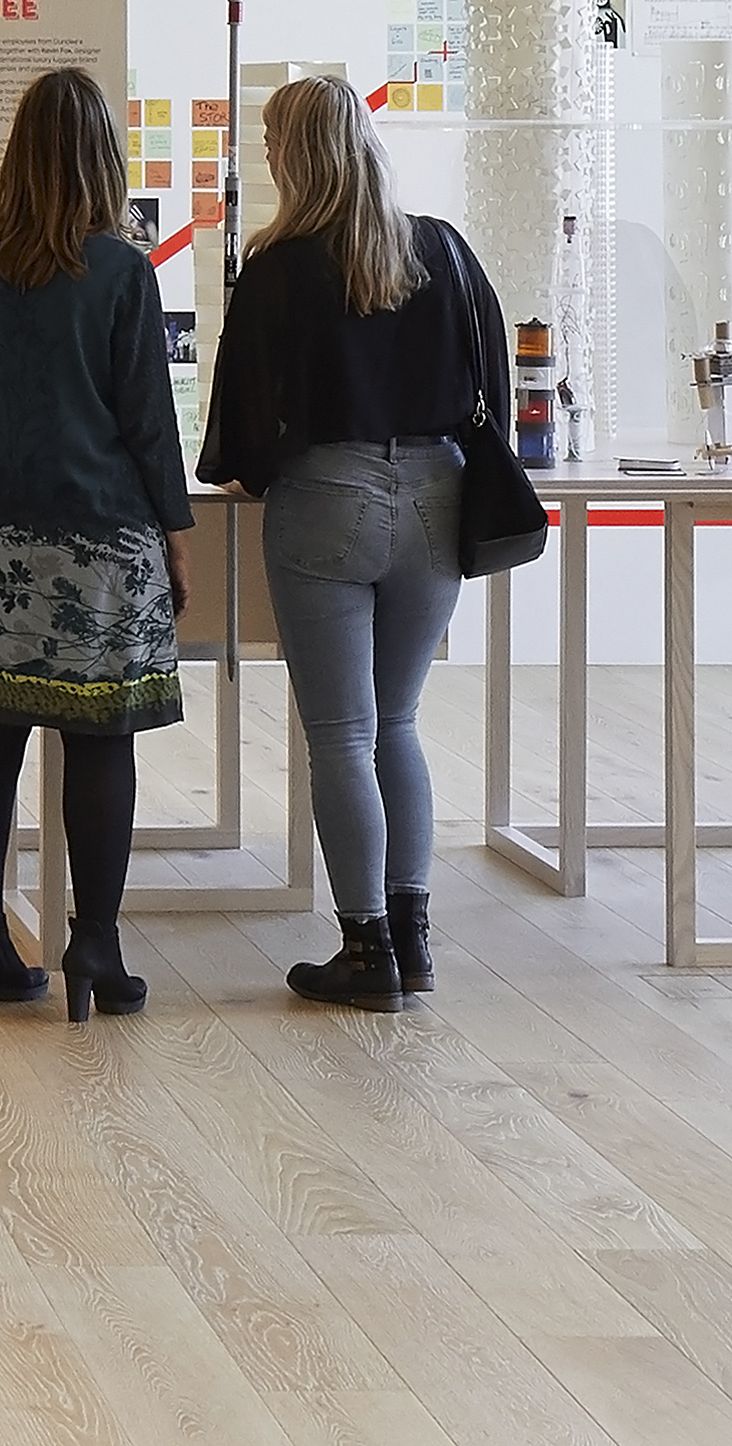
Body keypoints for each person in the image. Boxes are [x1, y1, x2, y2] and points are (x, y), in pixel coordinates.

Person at [198, 72, 506, 1011]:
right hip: (439, 499)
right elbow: (491, 371)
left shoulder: (279, 266)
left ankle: (365, 946)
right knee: (400, 722)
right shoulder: (443, 250)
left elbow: (242, 435)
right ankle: (414, 942)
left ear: (291, 156)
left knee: (341, 733)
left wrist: (265, 468)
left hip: (329, 499)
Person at [0, 64, 184, 1021]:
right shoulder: (118, 270)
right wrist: (175, 534)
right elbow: (148, 422)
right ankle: (95, 949)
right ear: (104, 158)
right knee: (100, 734)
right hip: (101, 536)